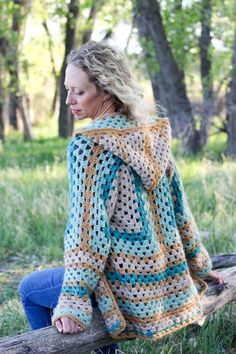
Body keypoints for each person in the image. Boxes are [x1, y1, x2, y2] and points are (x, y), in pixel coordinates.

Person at [18, 41, 225, 353]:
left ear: (107, 90)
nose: (68, 100)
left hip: (125, 285)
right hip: (162, 279)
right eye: (67, 90)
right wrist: (199, 265)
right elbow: (180, 210)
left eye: (79, 91)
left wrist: (73, 300)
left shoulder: (90, 146)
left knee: (29, 288)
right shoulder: (150, 135)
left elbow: (87, 231)